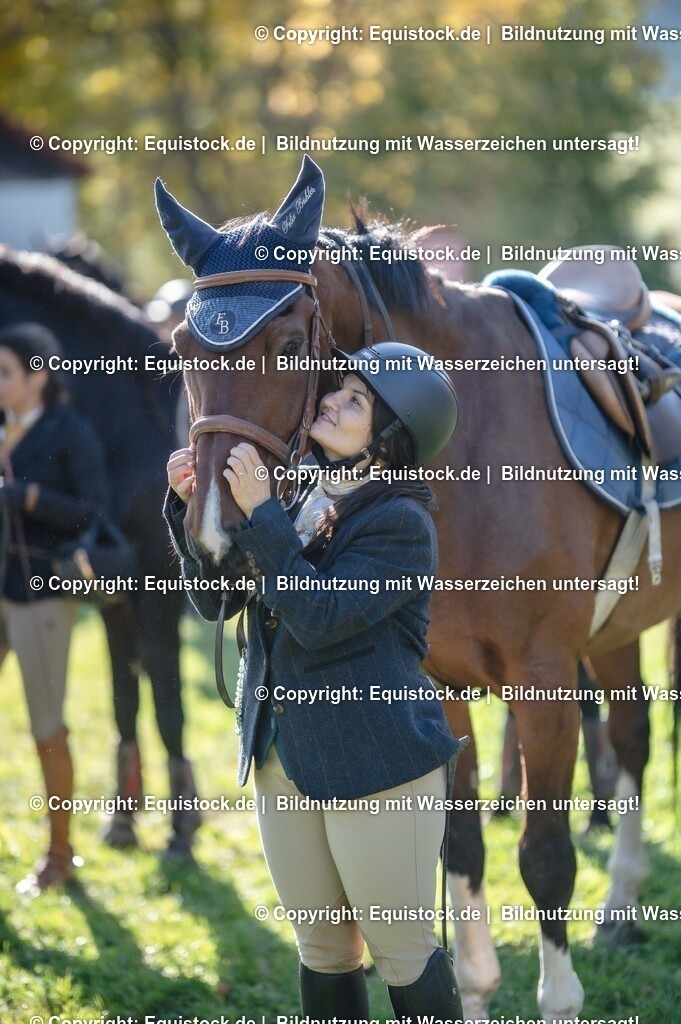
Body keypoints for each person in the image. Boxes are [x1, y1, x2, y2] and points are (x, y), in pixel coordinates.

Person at [165, 340, 466, 1017]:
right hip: (279, 753)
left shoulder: (400, 522)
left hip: (376, 762)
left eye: (355, 399)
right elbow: (216, 603)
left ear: (389, 436)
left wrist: (262, 515)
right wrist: (191, 514)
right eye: (339, 389)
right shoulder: (293, 491)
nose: (329, 399)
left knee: (402, 953)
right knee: (323, 950)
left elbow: (320, 617)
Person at [0, 322, 108, 892]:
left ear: (38, 376)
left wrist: (29, 497)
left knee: (46, 728)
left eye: (5, 373)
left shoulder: (71, 431)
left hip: (40, 594)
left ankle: (59, 854)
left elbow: (93, 513)